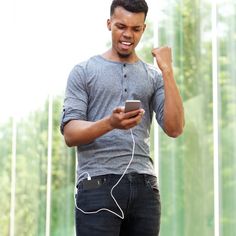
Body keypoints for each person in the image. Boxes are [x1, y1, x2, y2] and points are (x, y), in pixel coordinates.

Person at [60, 0, 184, 235]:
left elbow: (175, 128)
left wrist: (167, 70)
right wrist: (110, 123)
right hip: (97, 187)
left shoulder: (153, 76)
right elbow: (70, 133)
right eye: (121, 26)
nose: (128, 35)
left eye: (136, 29)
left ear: (144, 29)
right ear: (109, 24)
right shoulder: (84, 71)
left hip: (145, 188)